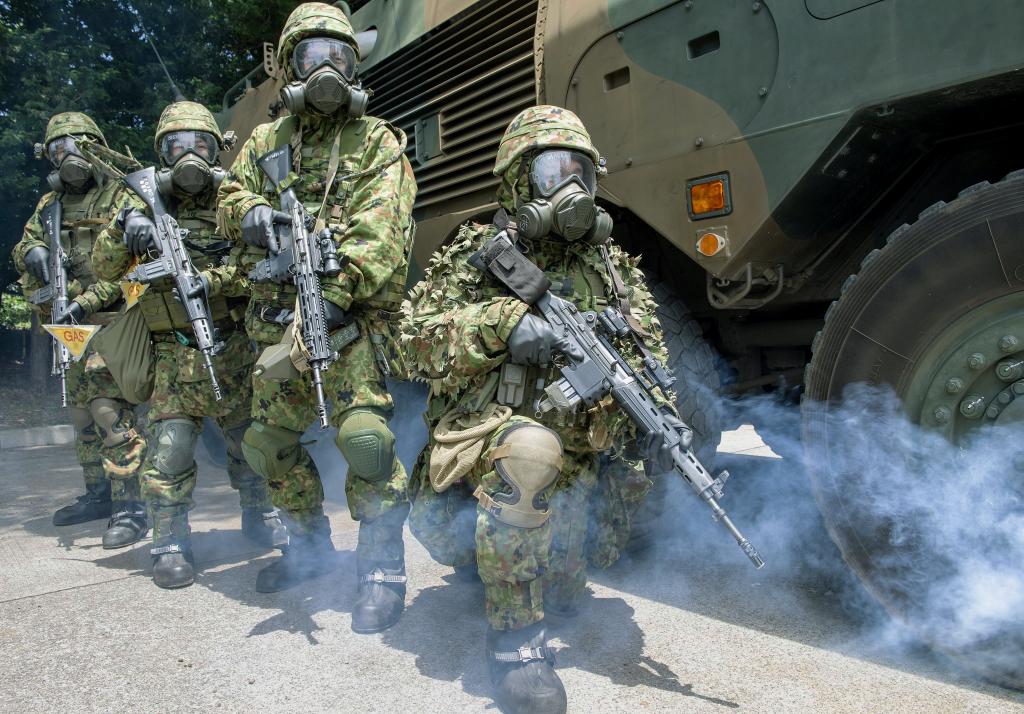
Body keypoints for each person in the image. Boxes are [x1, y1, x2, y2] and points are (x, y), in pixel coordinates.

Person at [403, 105, 686, 714]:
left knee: (564, 586)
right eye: (552, 171)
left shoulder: (611, 271)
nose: (571, 187)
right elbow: (412, 346)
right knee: (531, 451)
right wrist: (501, 324)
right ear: (517, 184)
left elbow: (648, 362)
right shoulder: (477, 257)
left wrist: (661, 429)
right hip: (497, 454)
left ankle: (542, 576)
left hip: (580, 478)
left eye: (581, 170)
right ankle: (513, 644)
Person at [217, 3, 417, 632]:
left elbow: (383, 233)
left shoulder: (379, 140)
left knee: (366, 443)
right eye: (312, 56)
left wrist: (333, 296)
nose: (328, 67)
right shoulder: (265, 142)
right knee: (266, 445)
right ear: (290, 68)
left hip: (349, 327)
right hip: (278, 326)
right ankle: (306, 549)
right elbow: (227, 196)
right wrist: (249, 212)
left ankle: (381, 569)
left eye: (340, 55)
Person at [93, 101, 286, 589]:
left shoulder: (231, 199)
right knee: (172, 449)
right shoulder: (136, 203)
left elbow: (254, 262)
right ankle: (170, 539)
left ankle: (259, 514)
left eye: (200, 144)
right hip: (173, 356)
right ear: (161, 152)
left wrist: (209, 281)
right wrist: (124, 229)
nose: (189, 155)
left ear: (215, 150)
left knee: (248, 442)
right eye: (176, 145)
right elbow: (103, 270)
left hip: (232, 347)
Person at [12, 112, 147, 548]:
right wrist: (31, 251)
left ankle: (131, 504)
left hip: (114, 320)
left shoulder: (122, 197)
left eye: (76, 145)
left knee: (111, 412)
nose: (66, 155)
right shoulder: (49, 206)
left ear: (96, 147)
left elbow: (137, 269)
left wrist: (86, 300)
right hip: (70, 326)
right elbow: (25, 243)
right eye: (57, 149)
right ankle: (99, 495)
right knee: (81, 415)